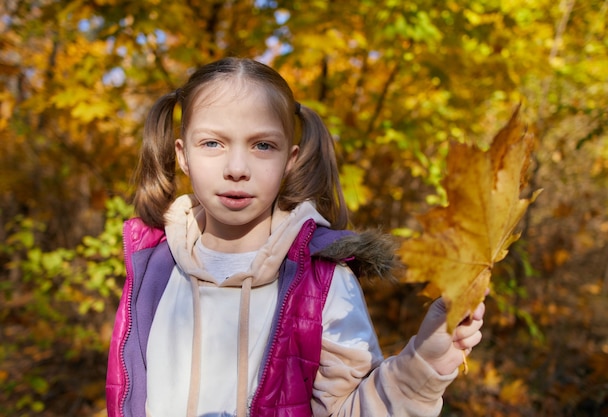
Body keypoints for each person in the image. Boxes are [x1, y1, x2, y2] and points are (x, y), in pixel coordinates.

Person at [105, 57, 485, 417]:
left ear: (290, 158)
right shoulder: (152, 267)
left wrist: (426, 366)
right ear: (183, 154)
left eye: (263, 146)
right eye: (212, 143)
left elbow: (349, 409)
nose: (237, 168)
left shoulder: (322, 281)